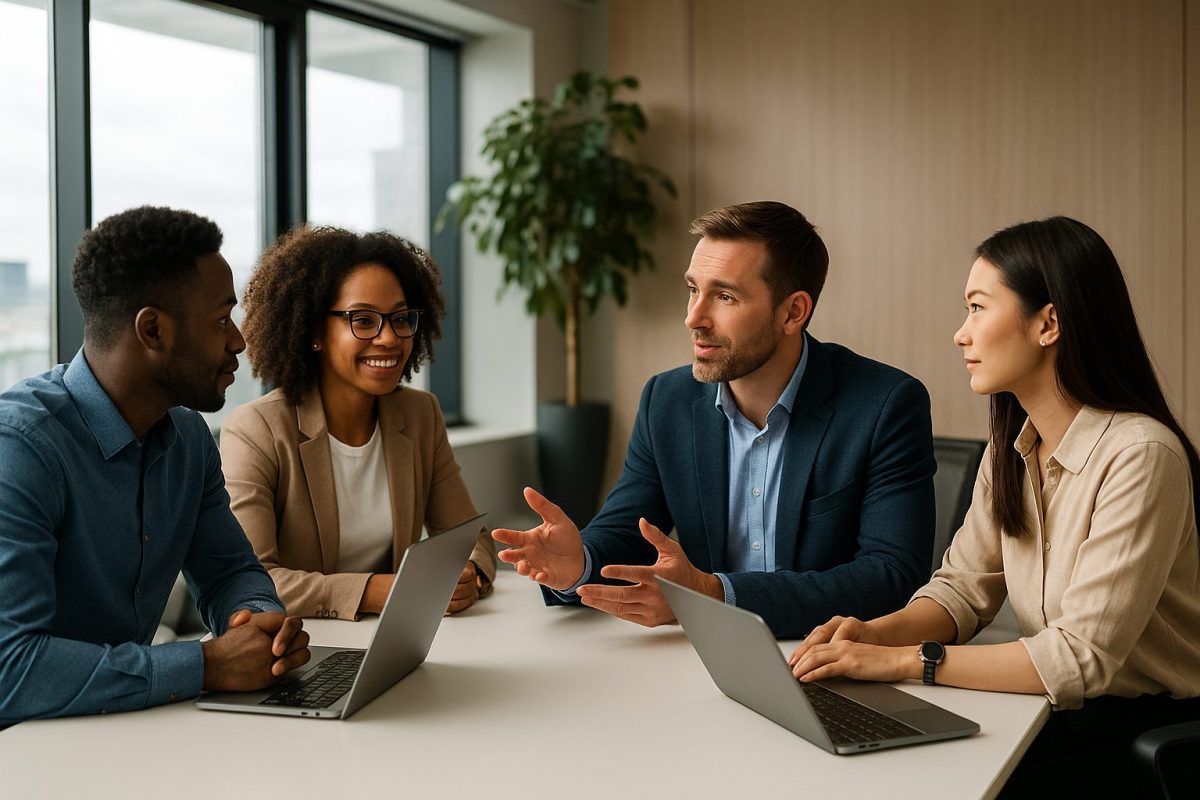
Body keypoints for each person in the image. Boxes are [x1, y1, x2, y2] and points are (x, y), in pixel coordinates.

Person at [788, 216, 1200, 794]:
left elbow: (1081, 658)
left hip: (1143, 732)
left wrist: (909, 662)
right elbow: (962, 590)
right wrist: (874, 637)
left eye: (978, 307)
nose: (962, 333)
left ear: (1048, 322)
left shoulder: (1141, 455)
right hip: (1058, 715)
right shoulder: (1010, 450)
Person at [494, 201, 937, 638]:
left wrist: (714, 594)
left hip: (831, 659)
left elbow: (892, 577)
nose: (693, 318)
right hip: (709, 661)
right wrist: (579, 564)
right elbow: (627, 530)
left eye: (725, 296)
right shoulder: (666, 400)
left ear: (793, 312)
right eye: (693, 289)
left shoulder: (885, 405)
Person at [0, 206, 310, 725]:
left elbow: (229, 569)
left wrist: (259, 624)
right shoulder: (21, 449)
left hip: (121, 732)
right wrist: (206, 664)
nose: (239, 341)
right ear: (152, 331)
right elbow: (11, 669)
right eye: (219, 320)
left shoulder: (189, 438)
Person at [220, 226, 496, 621]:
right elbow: (252, 582)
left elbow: (470, 537)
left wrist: (469, 574)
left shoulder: (420, 415)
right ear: (315, 331)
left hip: (397, 640)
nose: (389, 339)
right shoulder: (256, 429)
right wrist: (381, 590)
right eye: (363, 320)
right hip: (307, 647)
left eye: (400, 319)